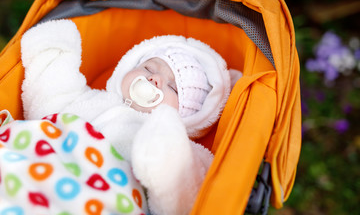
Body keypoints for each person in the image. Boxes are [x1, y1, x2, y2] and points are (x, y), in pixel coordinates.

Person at [19, 19, 232, 215]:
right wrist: (54, 54)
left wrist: (167, 154)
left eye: (174, 88)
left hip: (101, 197)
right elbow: (50, 100)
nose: (155, 79)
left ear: (188, 117)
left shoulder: (179, 147)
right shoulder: (89, 98)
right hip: (36, 161)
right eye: (148, 68)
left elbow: (184, 196)